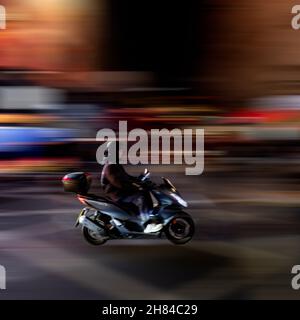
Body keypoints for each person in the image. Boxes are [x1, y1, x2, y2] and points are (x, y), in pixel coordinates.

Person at [100, 141, 163, 233]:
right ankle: (146, 225)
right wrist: (135, 186)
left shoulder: (115, 164)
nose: (121, 152)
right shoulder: (110, 166)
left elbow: (126, 177)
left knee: (144, 192)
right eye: (119, 150)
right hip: (117, 195)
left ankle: (143, 218)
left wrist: (140, 179)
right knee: (141, 197)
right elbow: (119, 184)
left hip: (120, 192)